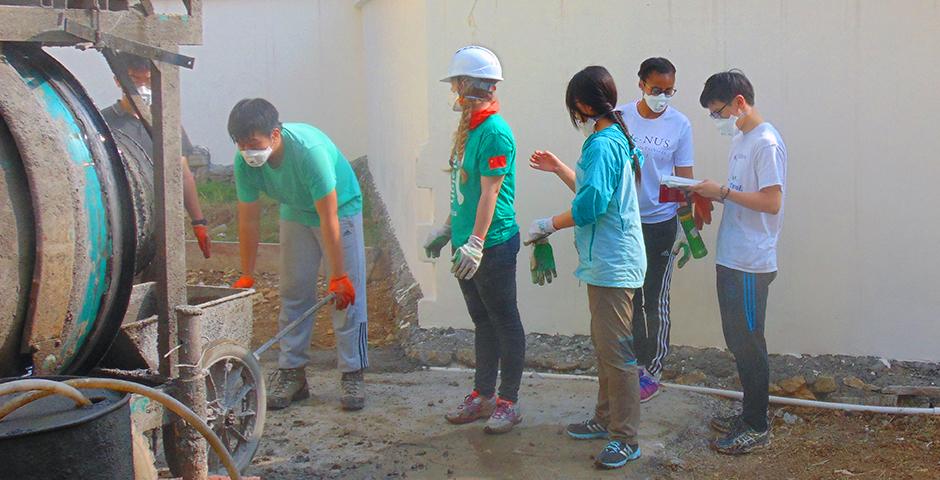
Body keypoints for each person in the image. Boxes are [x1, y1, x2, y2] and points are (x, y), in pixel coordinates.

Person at [528, 66, 646, 469]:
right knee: (605, 347)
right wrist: (561, 169)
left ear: (581, 104)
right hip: (609, 261)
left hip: (613, 263)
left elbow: (591, 205)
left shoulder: (602, 144)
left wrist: (548, 224)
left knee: (616, 353)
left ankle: (625, 437)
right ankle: (605, 419)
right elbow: (594, 191)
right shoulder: (614, 138)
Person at [228, 98, 367, 411]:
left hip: (339, 209)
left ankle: (352, 371)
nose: (248, 152)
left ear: (275, 135)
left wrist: (338, 275)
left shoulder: (309, 153)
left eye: (254, 143)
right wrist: (247, 272)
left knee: (346, 296)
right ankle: (293, 373)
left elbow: (328, 216)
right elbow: (248, 219)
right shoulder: (244, 163)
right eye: (241, 145)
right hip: (294, 209)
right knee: (293, 290)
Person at [424, 46, 525, 434]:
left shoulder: (495, 133)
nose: (454, 91)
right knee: (482, 321)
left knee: (505, 321)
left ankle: (508, 402)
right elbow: (463, 189)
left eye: (457, 83)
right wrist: (449, 230)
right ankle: (482, 396)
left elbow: (490, 193)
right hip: (467, 243)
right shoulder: (470, 130)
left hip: (492, 244)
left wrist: (477, 242)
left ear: (473, 86)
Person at [690, 70, 787, 454]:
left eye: (719, 112)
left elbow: (772, 201)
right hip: (731, 254)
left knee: (749, 342)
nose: (719, 120)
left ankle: (757, 425)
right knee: (737, 339)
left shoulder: (766, 142)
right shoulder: (744, 139)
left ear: (740, 103)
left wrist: (724, 192)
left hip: (751, 261)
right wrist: (711, 194)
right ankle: (749, 413)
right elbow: (741, 194)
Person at [615, 57, 696, 402]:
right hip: (627, 221)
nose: (662, 97)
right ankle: (633, 362)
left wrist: (689, 230)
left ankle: (654, 369)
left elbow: (684, 178)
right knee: (628, 295)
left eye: (669, 91)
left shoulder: (680, 124)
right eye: (655, 90)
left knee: (655, 298)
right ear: (641, 85)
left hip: (662, 222)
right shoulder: (620, 119)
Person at [101, 52, 211, 259]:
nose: (142, 87)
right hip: (119, 219)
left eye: (149, 80)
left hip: (159, 220)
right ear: (118, 80)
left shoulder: (166, 123)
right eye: (134, 80)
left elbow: (183, 173)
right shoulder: (103, 123)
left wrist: (198, 221)